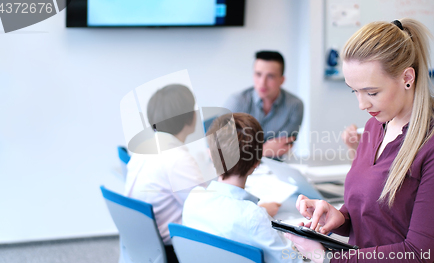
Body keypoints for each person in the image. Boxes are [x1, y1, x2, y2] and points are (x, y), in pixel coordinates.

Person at [284, 19, 434, 262]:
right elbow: (375, 215)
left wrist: (328, 259)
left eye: (372, 93)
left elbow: (419, 252)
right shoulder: (375, 126)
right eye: (355, 91)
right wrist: (340, 218)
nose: (362, 105)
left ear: (407, 77)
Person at [183, 113, 303, 263]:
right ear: (257, 163)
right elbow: (292, 260)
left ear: (211, 156)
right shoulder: (253, 217)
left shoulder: (193, 199)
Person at [124, 84, 205, 263]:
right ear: (190, 117)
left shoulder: (142, 151)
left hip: (146, 248)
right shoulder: (177, 159)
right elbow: (206, 210)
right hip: (172, 251)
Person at [224, 50, 304, 158]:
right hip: (237, 170)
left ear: (282, 80)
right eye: (258, 74)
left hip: (273, 169)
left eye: (270, 76)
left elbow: (282, 147)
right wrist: (263, 151)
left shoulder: (295, 105)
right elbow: (222, 149)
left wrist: (246, 150)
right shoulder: (237, 101)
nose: (262, 82)